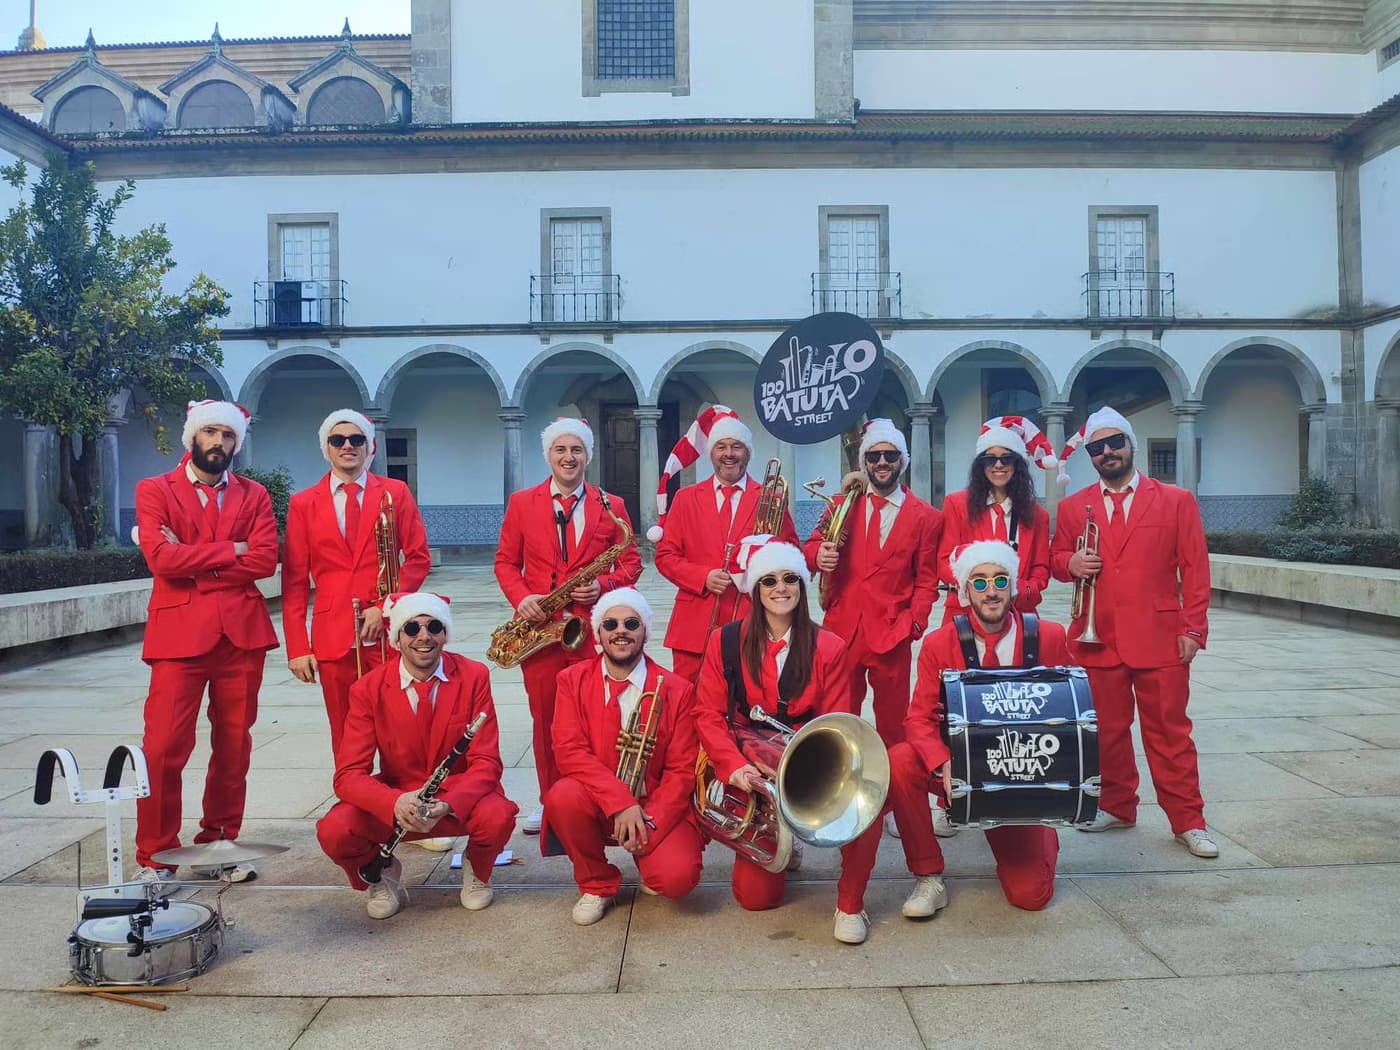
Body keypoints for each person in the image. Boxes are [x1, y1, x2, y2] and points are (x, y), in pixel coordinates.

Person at [848, 541, 1067, 921]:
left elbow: (1072, 712)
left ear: (1013, 586)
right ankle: (928, 874)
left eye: (1000, 580)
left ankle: (1040, 834)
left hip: (1018, 776)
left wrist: (1048, 782)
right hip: (959, 769)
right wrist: (943, 762)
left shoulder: (1049, 637)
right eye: (979, 583)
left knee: (1030, 896)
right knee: (900, 760)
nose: (991, 591)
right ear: (965, 592)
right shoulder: (940, 643)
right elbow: (917, 719)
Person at [694, 537, 883, 945]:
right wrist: (733, 766)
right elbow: (707, 715)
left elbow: (838, 727)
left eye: (791, 579)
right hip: (746, 757)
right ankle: (779, 831)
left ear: (801, 586)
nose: (781, 588)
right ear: (755, 590)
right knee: (755, 899)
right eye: (770, 581)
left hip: (800, 758)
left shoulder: (829, 646)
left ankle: (846, 894)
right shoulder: (724, 642)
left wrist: (808, 774)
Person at [1050, 406, 1217, 858]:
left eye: (1114, 444)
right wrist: (1070, 563)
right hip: (1097, 635)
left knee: (1170, 732)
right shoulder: (1073, 506)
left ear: (1131, 445)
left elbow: (1196, 570)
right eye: (1097, 448)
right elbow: (1055, 557)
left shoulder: (1176, 499)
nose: (1107, 453)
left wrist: (1194, 628)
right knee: (1107, 731)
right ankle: (1118, 806)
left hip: (1161, 636)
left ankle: (1189, 820)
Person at [132, 399, 280, 885]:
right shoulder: (155, 490)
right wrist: (228, 551)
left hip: (241, 635)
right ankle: (155, 854)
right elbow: (159, 560)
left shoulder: (254, 495)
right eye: (211, 432)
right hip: (178, 636)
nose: (219, 443)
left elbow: (263, 561)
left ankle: (220, 842)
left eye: (228, 435)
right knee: (163, 746)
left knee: (234, 745)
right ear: (193, 435)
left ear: (237, 442)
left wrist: (191, 557)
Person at [316, 592, 518, 919]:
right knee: (334, 830)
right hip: (398, 797)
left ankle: (478, 868)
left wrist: (449, 803)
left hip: (453, 794)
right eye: (412, 628)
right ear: (396, 637)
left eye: (434, 626)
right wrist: (393, 802)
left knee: (499, 814)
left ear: (445, 635)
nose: (424, 636)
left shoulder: (474, 676)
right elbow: (348, 775)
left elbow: (487, 763)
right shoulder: (367, 688)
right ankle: (379, 871)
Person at [495, 417, 643, 835]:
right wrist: (522, 598)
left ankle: (597, 797)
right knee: (545, 719)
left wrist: (604, 584)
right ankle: (549, 801)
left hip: (590, 631)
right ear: (548, 455)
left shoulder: (611, 504)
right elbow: (506, 561)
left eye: (576, 450)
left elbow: (631, 563)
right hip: (539, 631)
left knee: (596, 717)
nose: (568, 457)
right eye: (560, 449)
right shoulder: (522, 502)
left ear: (588, 456)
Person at [543, 587, 705, 925]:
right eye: (610, 624)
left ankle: (648, 857)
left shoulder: (677, 689)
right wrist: (620, 802)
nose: (621, 631)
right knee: (562, 796)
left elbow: (681, 770)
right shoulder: (571, 680)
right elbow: (569, 751)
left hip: (651, 806)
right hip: (598, 801)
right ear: (598, 633)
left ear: (645, 631)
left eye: (631, 623)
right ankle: (597, 882)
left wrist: (647, 822)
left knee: (677, 879)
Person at [281, 410, 431, 763]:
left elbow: (419, 558)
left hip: (387, 633)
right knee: (345, 732)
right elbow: (295, 581)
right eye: (338, 440)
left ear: (370, 446)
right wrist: (298, 647)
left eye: (356, 439)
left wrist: (387, 606)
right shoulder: (303, 503)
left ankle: (400, 808)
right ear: (327, 449)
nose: (348, 446)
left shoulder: (395, 492)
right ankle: (355, 806)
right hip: (333, 636)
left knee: (399, 728)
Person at [652, 406, 799, 683]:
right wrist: (702, 576)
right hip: (694, 625)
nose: (729, 454)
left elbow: (791, 551)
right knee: (689, 706)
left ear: (748, 453)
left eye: (737, 447)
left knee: (745, 706)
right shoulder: (685, 498)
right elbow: (665, 556)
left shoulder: (768, 498)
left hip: (750, 621)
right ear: (711, 453)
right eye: (721, 446)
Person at [937, 416, 1053, 625]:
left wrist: (1021, 590)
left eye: (1006, 458)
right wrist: (979, 589)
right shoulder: (956, 504)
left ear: (1018, 464)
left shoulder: (1038, 515)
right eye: (990, 459)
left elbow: (1041, 568)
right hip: (965, 616)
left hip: (1018, 615)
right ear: (980, 466)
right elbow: (944, 560)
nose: (998, 465)